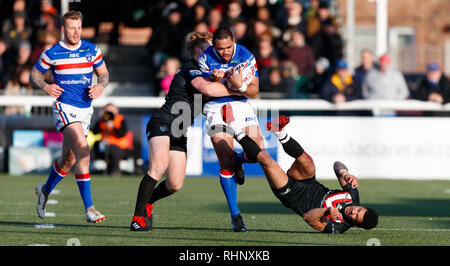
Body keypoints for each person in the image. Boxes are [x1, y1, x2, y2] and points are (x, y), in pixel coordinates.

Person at [130, 31, 239, 231]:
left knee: (174, 184)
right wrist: (239, 88)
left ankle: (148, 203)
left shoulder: (207, 75)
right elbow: (207, 90)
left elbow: (212, 99)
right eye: (209, 50)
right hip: (163, 123)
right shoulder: (191, 68)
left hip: (179, 131)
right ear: (197, 51)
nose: (214, 54)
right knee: (158, 167)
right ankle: (137, 218)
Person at [221, 108, 379, 234]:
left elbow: (308, 217)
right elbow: (337, 164)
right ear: (362, 206)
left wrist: (327, 211)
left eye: (355, 217)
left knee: (266, 160)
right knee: (307, 161)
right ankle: (278, 131)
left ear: (355, 224)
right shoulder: (352, 197)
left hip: (291, 194)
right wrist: (345, 173)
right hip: (308, 182)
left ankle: (233, 125)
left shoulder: (337, 227)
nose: (353, 211)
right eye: (359, 210)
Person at [31, 11, 109, 224]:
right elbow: (34, 74)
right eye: (72, 28)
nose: (76, 32)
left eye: (79, 27)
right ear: (63, 30)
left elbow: (104, 73)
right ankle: (89, 208)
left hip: (85, 110)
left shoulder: (91, 50)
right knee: (83, 148)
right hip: (64, 106)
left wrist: (101, 86)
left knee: (69, 159)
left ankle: (44, 191)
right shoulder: (52, 53)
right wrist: (46, 86)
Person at [198, 27, 264, 232]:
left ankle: (239, 160)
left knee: (256, 152)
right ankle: (236, 215)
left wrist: (238, 86)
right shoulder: (205, 58)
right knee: (224, 160)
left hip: (241, 105)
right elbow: (207, 92)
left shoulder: (246, 56)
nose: (225, 52)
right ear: (214, 46)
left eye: (228, 47)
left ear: (233, 41)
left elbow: (254, 91)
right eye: (220, 49)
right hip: (215, 108)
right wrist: (215, 79)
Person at [91, 103, 132, 175]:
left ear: (116, 111)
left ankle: (116, 171)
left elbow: (121, 134)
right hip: (105, 146)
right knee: (94, 147)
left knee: (113, 149)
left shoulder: (120, 119)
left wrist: (114, 127)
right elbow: (94, 131)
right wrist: (100, 118)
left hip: (120, 147)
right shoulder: (102, 120)